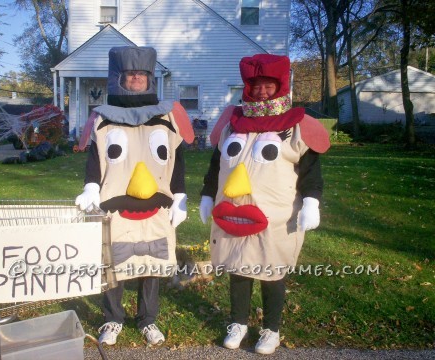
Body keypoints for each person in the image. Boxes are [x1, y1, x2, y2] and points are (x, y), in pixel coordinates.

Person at [199, 54, 330, 355]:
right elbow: (217, 164)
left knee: (272, 271)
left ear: (279, 86)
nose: (260, 91)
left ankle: (271, 329)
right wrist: (207, 194)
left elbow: (311, 170)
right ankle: (239, 323)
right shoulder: (233, 124)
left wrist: (312, 202)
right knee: (238, 268)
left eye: (267, 85)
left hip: (275, 215)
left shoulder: (296, 126)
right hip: (233, 212)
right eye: (255, 85)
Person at [76, 46, 194, 346]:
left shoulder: (167, 118)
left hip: (155, 202)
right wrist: (91, 185)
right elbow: (95, 156)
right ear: (119, 78)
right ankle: (113, 318)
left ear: (150, 78)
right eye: (131, 75)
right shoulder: (103, 119)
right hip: (116, 200)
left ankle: (147, 318)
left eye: (142, 74)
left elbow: (176, 159)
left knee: (151, 264)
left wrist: (179, 195)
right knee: (112, 262)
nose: (137, 79)